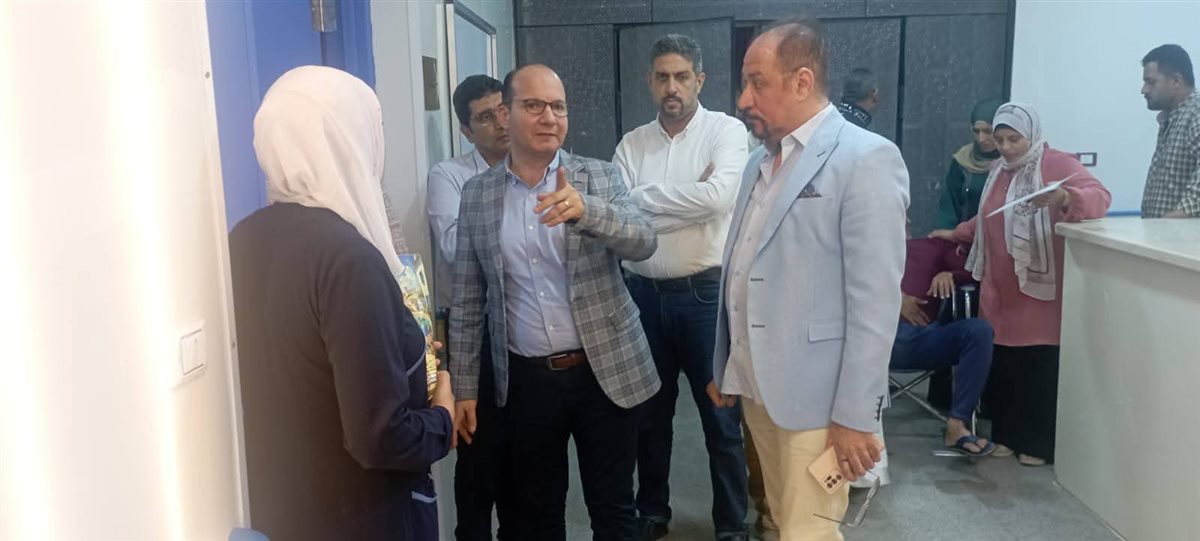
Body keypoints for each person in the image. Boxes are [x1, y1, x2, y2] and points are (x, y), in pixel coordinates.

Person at [229, 66, 454, 541]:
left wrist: (405, 358)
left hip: (282, 508)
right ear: (348, 140)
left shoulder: (242, 239)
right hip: (363, 514)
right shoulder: (349, 259)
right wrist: (443, 418)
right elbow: (381, 436)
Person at [709, 18, 908, 539]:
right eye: (745, 83)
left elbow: (875, 302)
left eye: (757, 83)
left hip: (819, 402)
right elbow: (744, 267)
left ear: (802, 81)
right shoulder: (757, 165)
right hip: (759, 387)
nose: (743, 99)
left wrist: (857, 416)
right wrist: (727, 362)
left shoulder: (865, 159)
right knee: (783, 522)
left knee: (809, 532)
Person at [449, 64, 660, 540]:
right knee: (536, 513)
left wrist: (589, 212)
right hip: (526, 380)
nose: (549, 117)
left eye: (558, 107)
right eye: (534, 105)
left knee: (614, 509)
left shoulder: (597, 176)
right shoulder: (478, 194)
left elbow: (645, 240)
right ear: (505, 114)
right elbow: (466, 299)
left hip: (604, 371)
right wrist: (464, 388)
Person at [611, 34, 750, 541]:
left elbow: (718, 200)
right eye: (663, 77)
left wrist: (645, 200)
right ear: (650, 82)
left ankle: (731, 525)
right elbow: (620, 216)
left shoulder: (726, 132)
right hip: (643, 298)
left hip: (705, 298)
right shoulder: (632, 144)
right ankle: (652, 512)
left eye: (682, 76)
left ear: (699, 80)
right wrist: (689, 201)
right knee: (649, 417)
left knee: (721, 417)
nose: (672, 87)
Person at [931, 102, 1111, 466]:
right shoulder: (998, 170)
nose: (1006, 147)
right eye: (1000, 140)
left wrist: (1065, 198)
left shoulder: (1056, 164)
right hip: (999, 287)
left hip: (1038, 289)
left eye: (1014, 139)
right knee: (1004, 365)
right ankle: (1007, 436)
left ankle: (1037, 444)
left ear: (1032, 134)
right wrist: (954, 233)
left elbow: (1100, 197)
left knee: (1037, 365)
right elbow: (987, 218)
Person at [426, 74, 512, 541]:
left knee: (526, 452)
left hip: (522, 327)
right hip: (470, 329)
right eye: (485, 117)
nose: (500, 123)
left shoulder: (535, 167)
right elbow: (454, 247)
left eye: (503, 110)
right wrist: (517, 230)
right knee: (477, 450)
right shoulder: (449, 176)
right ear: (466, 130)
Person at [892, 236, 995, 456]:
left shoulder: (932, 245)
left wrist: (950, 274)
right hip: (873, 337)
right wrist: (894, 299)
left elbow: (975, 272)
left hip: (923, 338)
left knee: (979, 331)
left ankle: (957, 425)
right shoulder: (863, 243)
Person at [1140, 44, 1199, 218]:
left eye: (1150, 82)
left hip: (1181, 235)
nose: (1144, 90)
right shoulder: (1171, 118)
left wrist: (1165, 226)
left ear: (1176, 81)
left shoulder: (1196, 112)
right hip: (1163, 232)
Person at [936, 98, 1005, 230]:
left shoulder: (1013, 162)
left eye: (988, 131)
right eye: (976, 131)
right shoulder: (963, 161)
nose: (981, 138)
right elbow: (949, 205)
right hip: (964, 238)